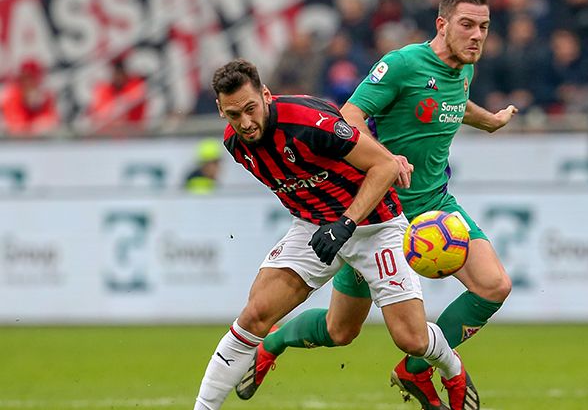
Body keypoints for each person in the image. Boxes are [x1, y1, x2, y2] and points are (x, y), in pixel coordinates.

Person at [237, 0, 517, 409]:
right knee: (339, 331)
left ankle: (415, 372)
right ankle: (273, 343)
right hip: (384, 217)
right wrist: (387, 158)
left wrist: (489, 121)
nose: (477, 35)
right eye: (467, 25)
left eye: (483, 27)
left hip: (438, 207)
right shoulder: (402, 64)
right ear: (442, 25)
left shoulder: (464, 69)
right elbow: (348, 116)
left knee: (494, 286)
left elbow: (452, 102)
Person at [193, 58, 478, 410]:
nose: (246, 122)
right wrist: (324, 223)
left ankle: (452, 369)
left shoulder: (308, 122)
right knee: (256, 316)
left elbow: (385, 166)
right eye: (234, 115)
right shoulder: (236, 145)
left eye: (251, 108)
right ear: (222, 111)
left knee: (412, 340)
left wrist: (345, 223)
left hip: (375, 226)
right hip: (314, 227)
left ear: (266, 95)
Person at [88, 56, 147, 135]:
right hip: (108, 135)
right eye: (116, 74)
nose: (118, 78)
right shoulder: (105, 90)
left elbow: (133, 102)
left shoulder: (134, 87)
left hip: (132, 133)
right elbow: (100, 113)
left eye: (120, 74)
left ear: (125, 74)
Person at [1, 60, 59, 137]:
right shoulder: (12, 95)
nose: (28, 83)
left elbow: (52, 121)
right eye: (24, 78)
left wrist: (37, 108)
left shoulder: (45, 96)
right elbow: (16, 127)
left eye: (32, 78)